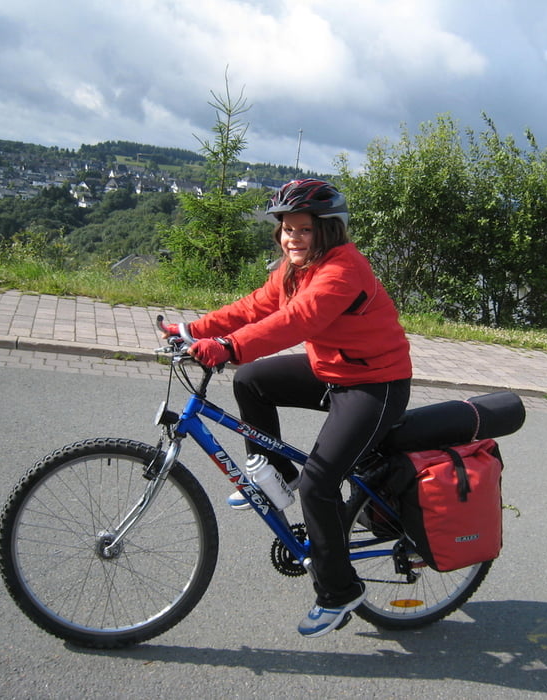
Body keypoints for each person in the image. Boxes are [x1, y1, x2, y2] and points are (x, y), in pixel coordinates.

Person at [162, 178, 412, 637]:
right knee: (253, 381)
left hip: (374, 384)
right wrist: (194, 329)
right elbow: (257, 306)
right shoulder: (296, 267)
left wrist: (229, 346)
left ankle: (339, 591)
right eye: (285, 229)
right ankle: (279, 473)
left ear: (327, 230)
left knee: (320, 484)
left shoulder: (343, 270)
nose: (290, 238)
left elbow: (296, 321)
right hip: (331, 368)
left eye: (302, 230)